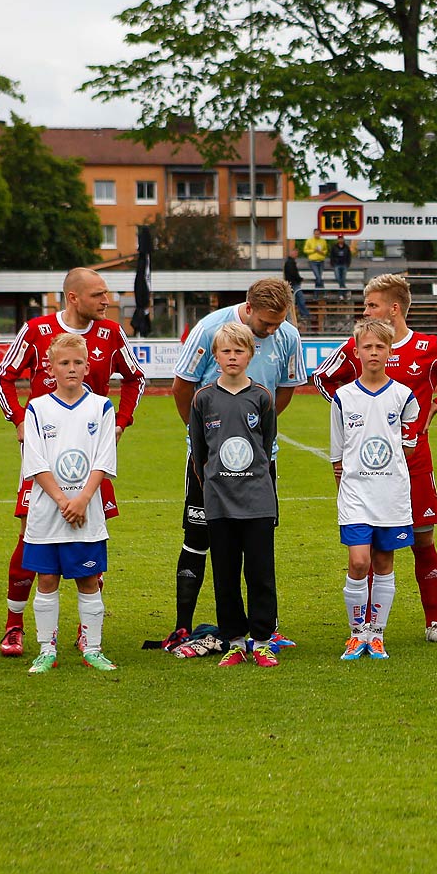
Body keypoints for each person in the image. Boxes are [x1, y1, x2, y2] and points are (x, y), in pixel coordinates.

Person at [313, 274, 437, 642]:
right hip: (370, 468)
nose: (366, 311)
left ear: (394, 308)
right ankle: (369, 628)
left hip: (415, 461)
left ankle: (433, 622)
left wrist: (436, 406)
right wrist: (356, 419)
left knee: (423, 539)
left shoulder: (430, 347)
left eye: (372, 304)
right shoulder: (357, 345)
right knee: (371, 546)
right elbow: (322, 379)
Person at [0, 269, 146, 656]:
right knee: (30, 537)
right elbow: (2, 376)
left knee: (90, 536)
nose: (105, 300)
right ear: (74, 298)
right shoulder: (36, 329)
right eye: (98, 294)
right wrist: (19, 418)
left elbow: (135, 378)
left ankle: (84, 629)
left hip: (90, 453)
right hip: (44, 457)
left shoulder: (110, 332)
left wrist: (122, 422)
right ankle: (14, 625)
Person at [168, 278, 305, 655]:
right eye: (265, 324)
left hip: (260, 462)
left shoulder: (288, 336)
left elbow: (287, 388)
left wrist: (254, 434)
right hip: (208, 462)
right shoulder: (210, 329)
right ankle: (182, 626)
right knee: (199, 537)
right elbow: (183, 386)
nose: (272, 330)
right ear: (248, 307)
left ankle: (266, 630)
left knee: (259, 543)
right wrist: (205, 439)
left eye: (279, 322)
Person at [19, 333, 120, 673]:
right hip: (49, 513)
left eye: (78, 362)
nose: (72, 368)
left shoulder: (102, 406)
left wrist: (84, 498)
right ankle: (46, 650)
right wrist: (64, 500)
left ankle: (93, 648)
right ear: (51, 368)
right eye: (64, 363)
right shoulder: (37, 408)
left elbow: (104, 458)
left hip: (86, 512)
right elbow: (34, 461)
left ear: (88, 367)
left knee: (89, 582)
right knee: (46, 581)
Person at [187, 322, 282, 667]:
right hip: (220, 501)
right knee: (225, 574)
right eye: (225, 351)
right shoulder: (203, 398)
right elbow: (199, 453)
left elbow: (266, 445)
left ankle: (263, 640)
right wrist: (214, 483)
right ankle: (235, 641)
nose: (232, 356)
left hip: (256, 499)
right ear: (215, 356)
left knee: (260, 572)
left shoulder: (261, 397)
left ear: (250, 354)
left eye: (239, 350)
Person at [329, 318, 420, 661]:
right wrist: (345, 487)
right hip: (355, 495)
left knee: (383, 562)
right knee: (358, 561)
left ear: (390, 351)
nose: (373, 352)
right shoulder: (343, 397)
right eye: (367, 346)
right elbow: (337, 455)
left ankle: (376, 634)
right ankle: (356, 633)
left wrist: (388, 470)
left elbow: (408, 444)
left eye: (380, 346)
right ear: (356, 352)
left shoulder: (403, 396)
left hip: (391, 495)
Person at [283, 245, 306, 318]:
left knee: (297, 299)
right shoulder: (290, 263)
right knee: (300, 299)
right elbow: (292, 274)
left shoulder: (290, 262)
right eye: (295, 253)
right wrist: (299, 279)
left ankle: (298, 314)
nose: (296, 255)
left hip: (292, 283)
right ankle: (304, 314)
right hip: (293, 283)